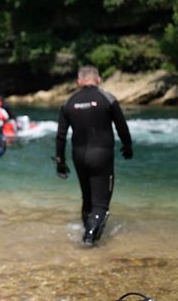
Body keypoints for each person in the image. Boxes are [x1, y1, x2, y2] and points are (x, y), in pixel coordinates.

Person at [55, 65, 133, 246]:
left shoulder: (68, 102)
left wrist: (60, 161)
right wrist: (127, 146)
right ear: (98, 80)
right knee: (101, 205)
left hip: (79, 156)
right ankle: (89, 238)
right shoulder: (107, 99)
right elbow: (122, 127)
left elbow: (60, 135)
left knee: (87, 200)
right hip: (102, 156)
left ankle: (89, 234)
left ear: (79, 82)